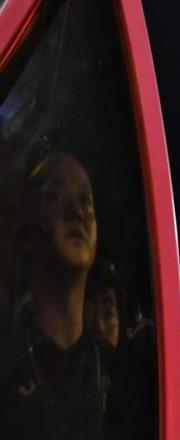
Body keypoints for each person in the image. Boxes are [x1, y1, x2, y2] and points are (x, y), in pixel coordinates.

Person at [0, 151, 110, 440]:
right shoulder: (7, 363)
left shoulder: (119, 374)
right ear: (28, 228)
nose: (77, 212)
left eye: (86, 201)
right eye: (55, 196)